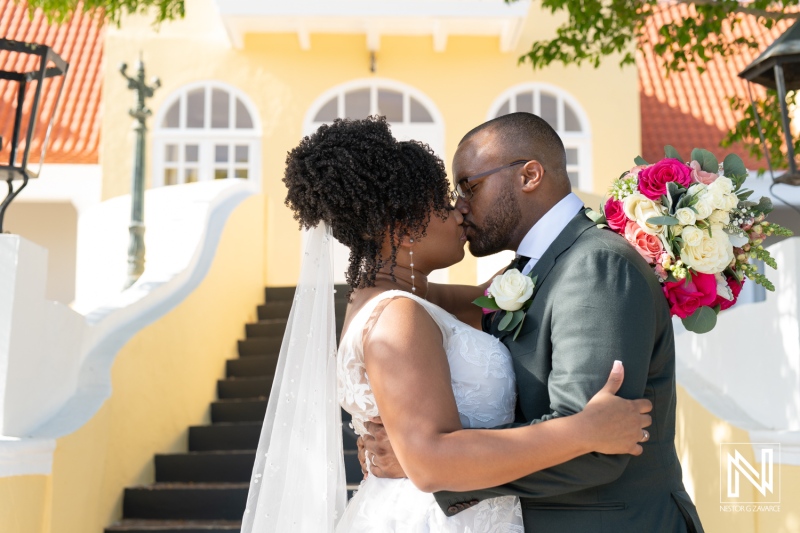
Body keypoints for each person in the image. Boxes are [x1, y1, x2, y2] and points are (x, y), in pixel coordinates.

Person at [241, 116, 653, 532]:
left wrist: (641, 232)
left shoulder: (403, 299)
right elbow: (430, 461)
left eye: (466, 189)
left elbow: (522, 281)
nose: (459, 210)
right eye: (443, 201)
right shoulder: (398, 315)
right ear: (402, 230)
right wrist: (581, 431)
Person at [362, 112, 706, 532]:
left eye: (469, 186)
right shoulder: (527, 271)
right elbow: (418, 298)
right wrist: (420, 449)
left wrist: (436, 467)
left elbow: (595, 450)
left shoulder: (595, 266)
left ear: (529, 175)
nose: (460, 206)